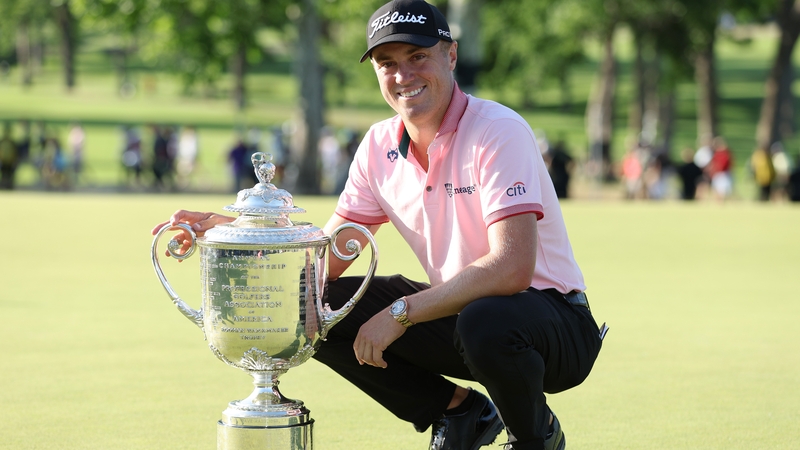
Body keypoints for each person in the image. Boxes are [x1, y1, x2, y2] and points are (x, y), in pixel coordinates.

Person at [152, 2, 604, 449]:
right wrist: (240, 235)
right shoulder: (378, 147)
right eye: (387, 63)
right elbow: (323, 262)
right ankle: (459, 412)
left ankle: (534, 439)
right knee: (318, 305)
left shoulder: (497, 130)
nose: (403, 75)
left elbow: (511, 269)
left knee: (486, 320)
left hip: (553, 323)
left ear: (451, 56)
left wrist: (398, 313)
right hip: (464, 317)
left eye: (418, 57)